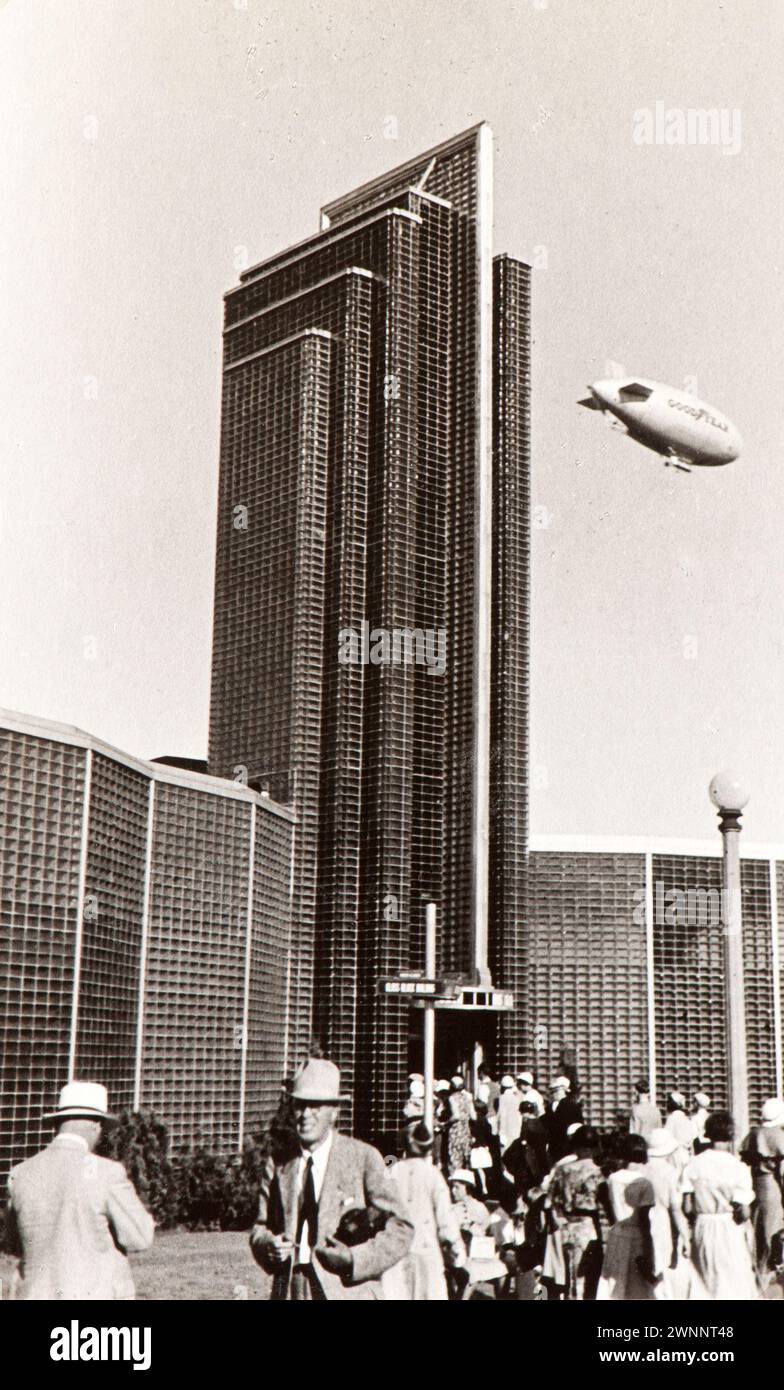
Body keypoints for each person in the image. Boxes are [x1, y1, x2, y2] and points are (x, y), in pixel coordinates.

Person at [250, 1058, 413, 1300]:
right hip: (290, 1289)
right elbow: (260, 1228)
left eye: (315, 1106)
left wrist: (355, 1259)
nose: (305, 1114)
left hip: (345, 1289)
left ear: (334, 1111)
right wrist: (268, 1247)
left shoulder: (363, 1158)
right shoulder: (279, 1163)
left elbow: (401, 1227)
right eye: (299, 1105)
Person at [5, 1081, 154, 1300]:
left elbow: (15, 1245)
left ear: (58, 1124)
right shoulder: (107, 1173)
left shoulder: (20, 1174)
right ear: (96, 1124)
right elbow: (140, 1237)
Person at [381, 1123, 466, 1301]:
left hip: (395, 1251)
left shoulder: (392, 1172)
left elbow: (381, 1209)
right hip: (426, 1250)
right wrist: (456, 1251)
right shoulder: (433, 1175)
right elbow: (445, 1218)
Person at [681, 1109, 758, 1301]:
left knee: (704, 1282)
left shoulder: (694, 1164)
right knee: (732, 1281)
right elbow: (744, 1213)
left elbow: (687, 1207)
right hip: (729, 1227)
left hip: (703, 1226)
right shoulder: (738, 1167)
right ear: (731, 1135)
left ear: (708, 1133)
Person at [597, 1135, 660, 1302]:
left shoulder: (612, 1179)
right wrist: (649, 1249)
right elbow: (644, 1219)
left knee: (615, 1281)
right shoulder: (644, 1182)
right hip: (637, 1235)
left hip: (617, 1233)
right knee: (637, 1284)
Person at [545, 1126, 604, 1300]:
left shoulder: (562, 1170)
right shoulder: (598, 1172)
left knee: (571, 1276)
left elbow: (549, 1202)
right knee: (588, 1277)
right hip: (589, 1227)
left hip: (566, 1226)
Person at [644, 1127, 692, 1299]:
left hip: (642, 1220)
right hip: (662, 1221)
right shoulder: (670, 1173)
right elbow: (676, 1209)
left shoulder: (641, 1170)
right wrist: (686, 1236)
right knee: (663, 1269)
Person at [740, 1098, 784, 1276]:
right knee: (772, 1234)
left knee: (760, 1233)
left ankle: (761, 1273)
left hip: (757, 1184)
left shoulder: (754, 1134)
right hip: (773, 1186)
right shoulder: (779, 1136)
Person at [502, 1100, 548, 1199]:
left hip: (527, 1161)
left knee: (523, 1188)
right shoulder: (539, 1122)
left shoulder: (527, 1124)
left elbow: (524, 1143)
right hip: (538, 1160)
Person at [545, 1076, 584, 1164]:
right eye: (553, 1091)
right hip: (557, 1147)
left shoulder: (571, 1106)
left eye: (556, 1090)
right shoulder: (551, 1107)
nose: (554, 1094)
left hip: (565, 1146)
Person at [446, 1075, 476, 1174]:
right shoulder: (468, 1097)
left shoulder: (452, 1098)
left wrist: (446, 1122)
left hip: (456, 1130)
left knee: (455, 1157)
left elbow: (456, 1115)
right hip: (466, 1130)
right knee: (466, 1157)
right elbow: (473, 1116)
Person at [663, 1091, 694, 1174]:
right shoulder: (687, 1119)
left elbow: (667, 1136)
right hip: (686, 1153)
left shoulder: (672, 1118)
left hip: (675, 1154)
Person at [496, 1075, 523, 1153]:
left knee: (505, 1156)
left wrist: (501, 1133)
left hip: (506, 1131)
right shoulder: (518, 1097)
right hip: (517, 1131)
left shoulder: (502, 1098)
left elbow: (502, 1116)